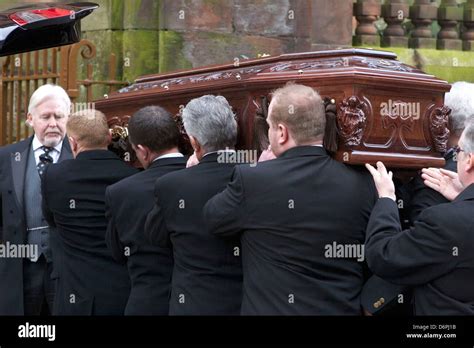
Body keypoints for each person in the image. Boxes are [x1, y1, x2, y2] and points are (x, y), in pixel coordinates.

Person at [203, 83, 377, 315]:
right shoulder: (363, 184)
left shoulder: (253, 179)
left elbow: (212, 219)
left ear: (282, 132)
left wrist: (259, 169)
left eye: (269, 128)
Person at [361, 81, 474, 316]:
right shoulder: (456, 207)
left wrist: (386, 199)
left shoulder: (446, 221)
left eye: (458, 152)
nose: (455, 156)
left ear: (470, 161)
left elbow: (384, 256)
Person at [145, 95, 243, 315]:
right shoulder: (258, 176)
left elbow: (155, 236)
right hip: (247, 303)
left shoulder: (172, 185)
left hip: (193, 303)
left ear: (194, 142)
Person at [41, 109, 138, 315]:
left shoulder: (54, 176)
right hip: (123, 292)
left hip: (76, 294)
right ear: (109, 137)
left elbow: (51, 221)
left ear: (72, 142)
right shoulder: (131, 176)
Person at [105, 106, 186, 315]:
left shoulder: (120, 191)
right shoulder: (202, 178)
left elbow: (117, 252)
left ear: (142, 150)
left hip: (147, 303)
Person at [0, 84, 72, 315]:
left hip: (66, 269)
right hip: (20, 268)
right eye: (46, 116)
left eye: (59, 116)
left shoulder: (80, 155)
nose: (53, 123)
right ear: (30, 118)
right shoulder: (7, 157)